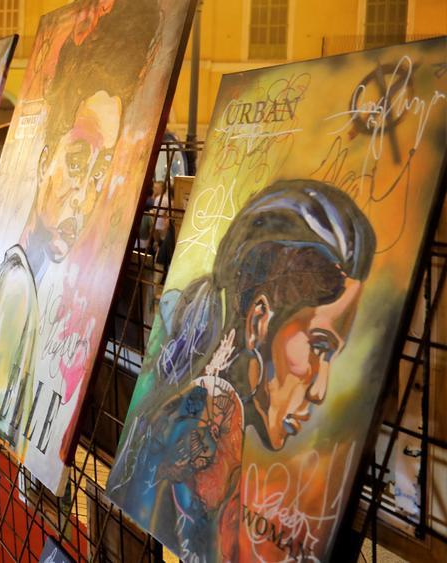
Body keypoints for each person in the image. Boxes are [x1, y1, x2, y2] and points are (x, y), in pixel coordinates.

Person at [107, 180, 376, 562]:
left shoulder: (207, 419)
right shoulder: (198, 434)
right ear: (259, 322)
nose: (320, 389)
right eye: (318, 346)